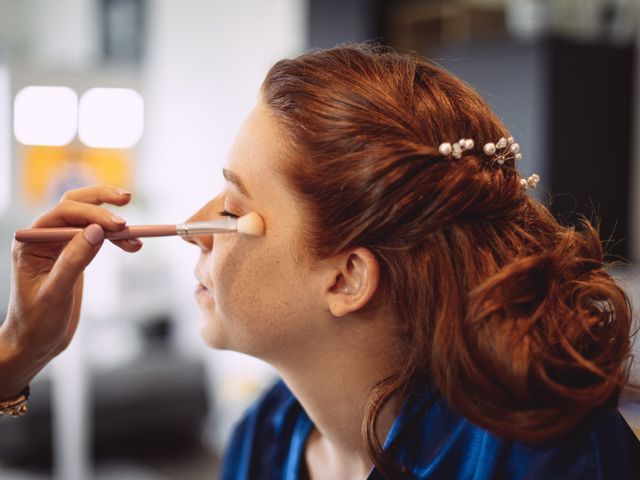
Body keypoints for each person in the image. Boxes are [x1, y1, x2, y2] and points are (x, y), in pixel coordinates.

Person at [2, 43, 639, 479]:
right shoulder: (266, 433)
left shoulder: (545, 459)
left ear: (347, 277)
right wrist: (16, 355)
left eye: (231, 208)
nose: (195, 233)